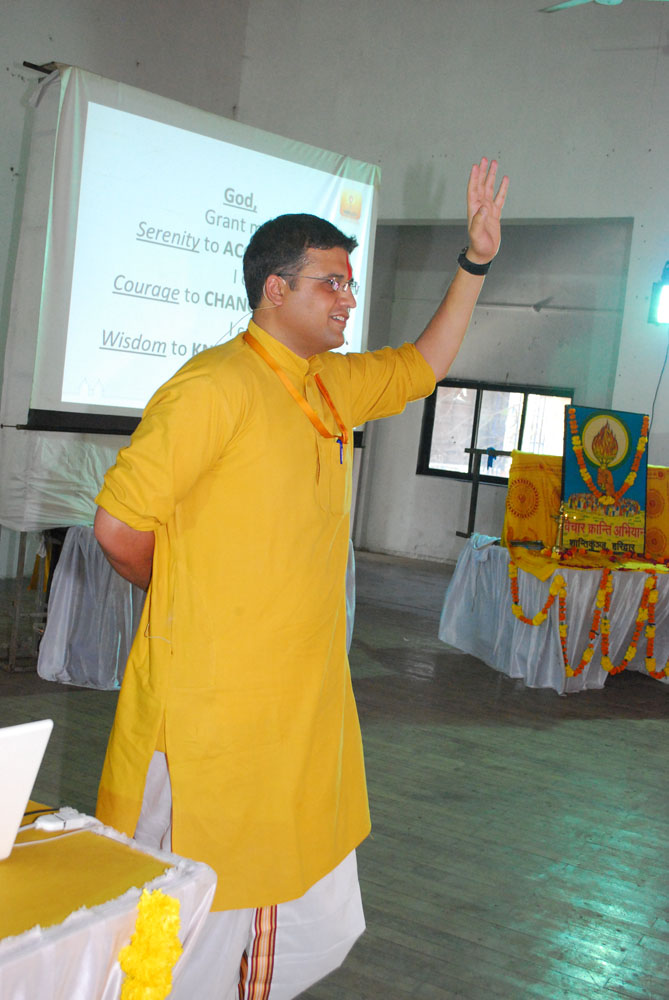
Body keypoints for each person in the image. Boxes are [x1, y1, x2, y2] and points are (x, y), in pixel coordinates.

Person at [94, 157, 508, 999]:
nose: (347, 298)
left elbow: (423, 365)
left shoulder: (327, 385)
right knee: (189, 913)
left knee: (295, 901)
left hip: (299, 702)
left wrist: (474, 263)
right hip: (215, 713)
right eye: (331, 282)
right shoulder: (214, 386)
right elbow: (118, 529)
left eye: (349, 283)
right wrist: (189, 602)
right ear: (274, 290)